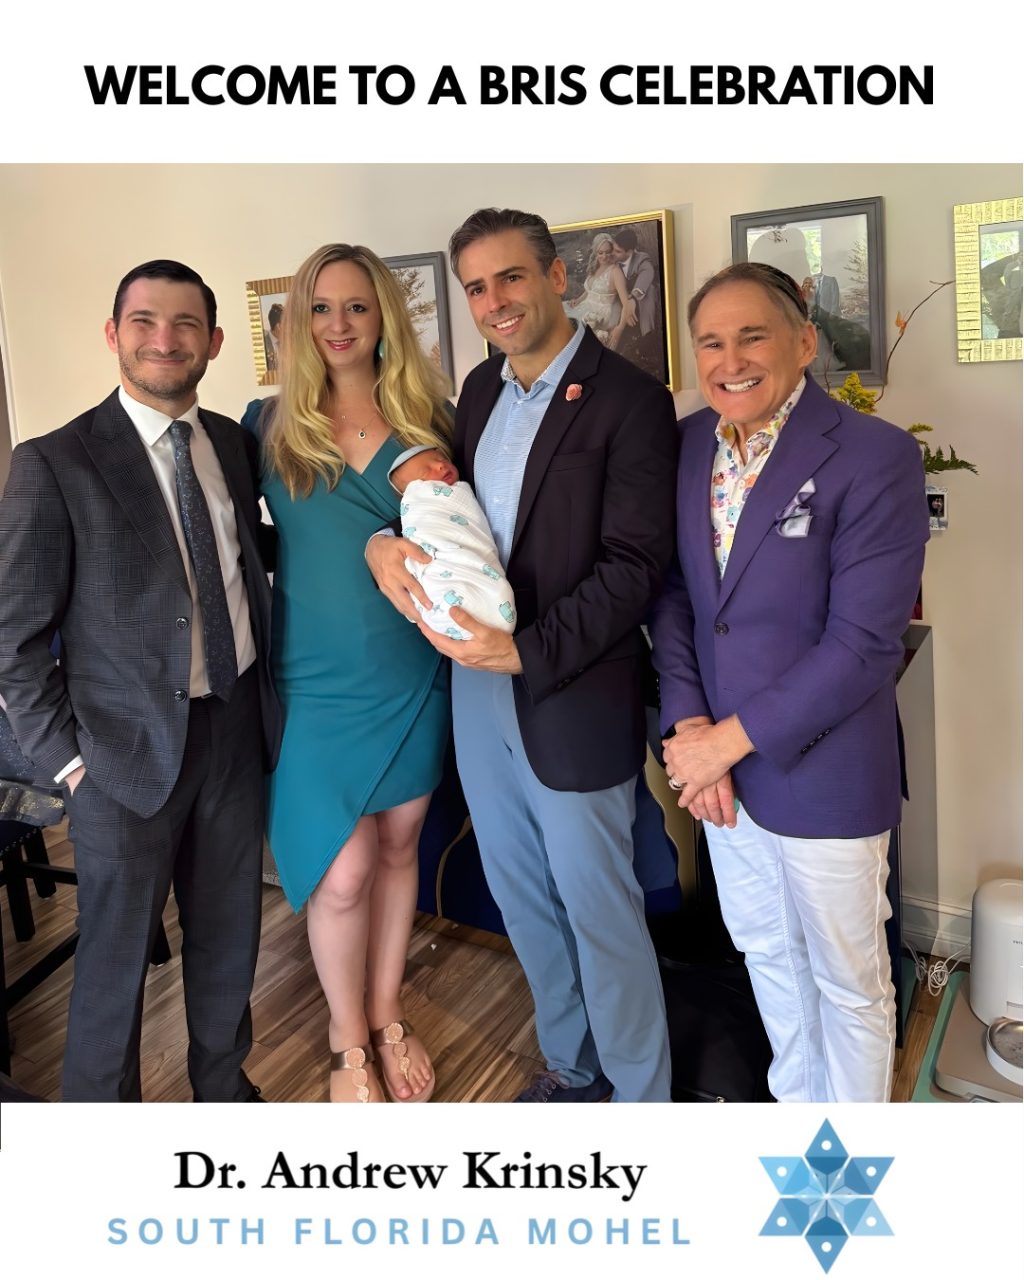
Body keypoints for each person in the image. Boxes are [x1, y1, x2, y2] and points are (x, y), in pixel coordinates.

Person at [367, 208, 678, 1102]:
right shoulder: (477, 392)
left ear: (557, 276)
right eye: (476, 287)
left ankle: (643, 1101)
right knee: (522, 897)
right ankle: (574, 1071)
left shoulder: (630, 399)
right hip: (477, 687)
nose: (494, 301)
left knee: (600, 909)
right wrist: (383, 543)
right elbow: (449, 517)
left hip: (570, 685)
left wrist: (527, 651)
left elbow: (634, 568)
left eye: (510, 277)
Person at [0, 259, 282, 1101]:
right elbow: (13, 639)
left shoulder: (233, 444)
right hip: (116, 758)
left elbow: (243, 563)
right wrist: (68, 764)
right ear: (114, 335)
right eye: (145, 321)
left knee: (229, 935)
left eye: (186, 323)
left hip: (233, 729)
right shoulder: (54, 462)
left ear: (214, 341)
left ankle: (223, 1091)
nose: (166, 339)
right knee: (115, 962)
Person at [648, 261, 929, 1103]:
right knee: (767, 958)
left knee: (849, 982)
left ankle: (854, 1159)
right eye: (710, 343)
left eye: (752, 336)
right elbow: (676, 598)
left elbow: (864, 646)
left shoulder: (874, 454)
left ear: (804, 342)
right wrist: (689, 731)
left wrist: (722, 744)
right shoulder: (686, 445)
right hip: (723, 779)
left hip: (825, 773)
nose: (730, 360)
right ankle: (804, 1135)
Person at [243, 243, 452, 1104]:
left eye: (356, 306)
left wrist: (388, 541)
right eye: (320, 308)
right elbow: (232, 540)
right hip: (309, 678)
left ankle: (387, 1011)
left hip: (409, 670)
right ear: (297, 322)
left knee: (399, 845)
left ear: (383, 318)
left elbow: (461, 547)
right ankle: (345, 1036)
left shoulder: (430, 417)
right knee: (343, 869)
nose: (338, 324)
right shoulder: (264, 423)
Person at [387, 444, 516, 641]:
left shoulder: (461, 492)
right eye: (425, 471)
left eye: (442, 460)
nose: (440, 466)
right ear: (414, 491)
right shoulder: (418, 507)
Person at [564, 232, 630, 349]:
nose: (604, 256)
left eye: (608, 252)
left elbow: (626, 304)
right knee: (560, 317)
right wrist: (578, 300)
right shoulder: (595, 267)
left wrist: (619, 328)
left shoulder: (615, 272)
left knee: (572, 333)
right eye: (600, 253)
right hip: (586, 305)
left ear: (612, 251)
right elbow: (590, 291)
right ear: (595, 252)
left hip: (599, 314)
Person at [611, 227, 659, 370]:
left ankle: (647, 336)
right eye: (614, 249)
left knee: (650, 291)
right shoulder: (612, 259)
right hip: (619, 297)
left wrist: (633, 299)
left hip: (638, 299)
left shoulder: (641, 259)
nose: (613, 253)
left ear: (630, 252)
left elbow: (647, 273)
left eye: (618, 251)